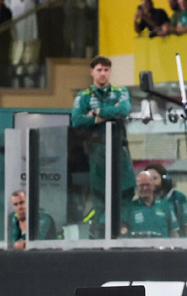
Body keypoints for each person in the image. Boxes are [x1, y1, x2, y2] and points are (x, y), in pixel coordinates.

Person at [71, 56, 136, 238]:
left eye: (106, 70)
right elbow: (76, 120)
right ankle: (100, 232)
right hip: (97, 151)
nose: (103, 73)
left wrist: (96, 113)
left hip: (120, 150)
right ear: (92, 72)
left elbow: (123, 110)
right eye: (99, 70)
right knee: (100, 196)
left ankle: (123, 230)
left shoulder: (120, 91)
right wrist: (110, 113)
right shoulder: (84, 96)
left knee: (126, 189)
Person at [122, 171, 179, 238]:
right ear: (136, 187)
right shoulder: (129, 208)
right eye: (141, 185)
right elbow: (123, 234)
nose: (145, 188)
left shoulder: (165, 205)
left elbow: (173, 233)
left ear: (153, 186)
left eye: (147, 185)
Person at [144, 163, 187, 237]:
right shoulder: (143, 201)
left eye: (154, 178)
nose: (151, 182)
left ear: (164, 180)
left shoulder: (178, 197)